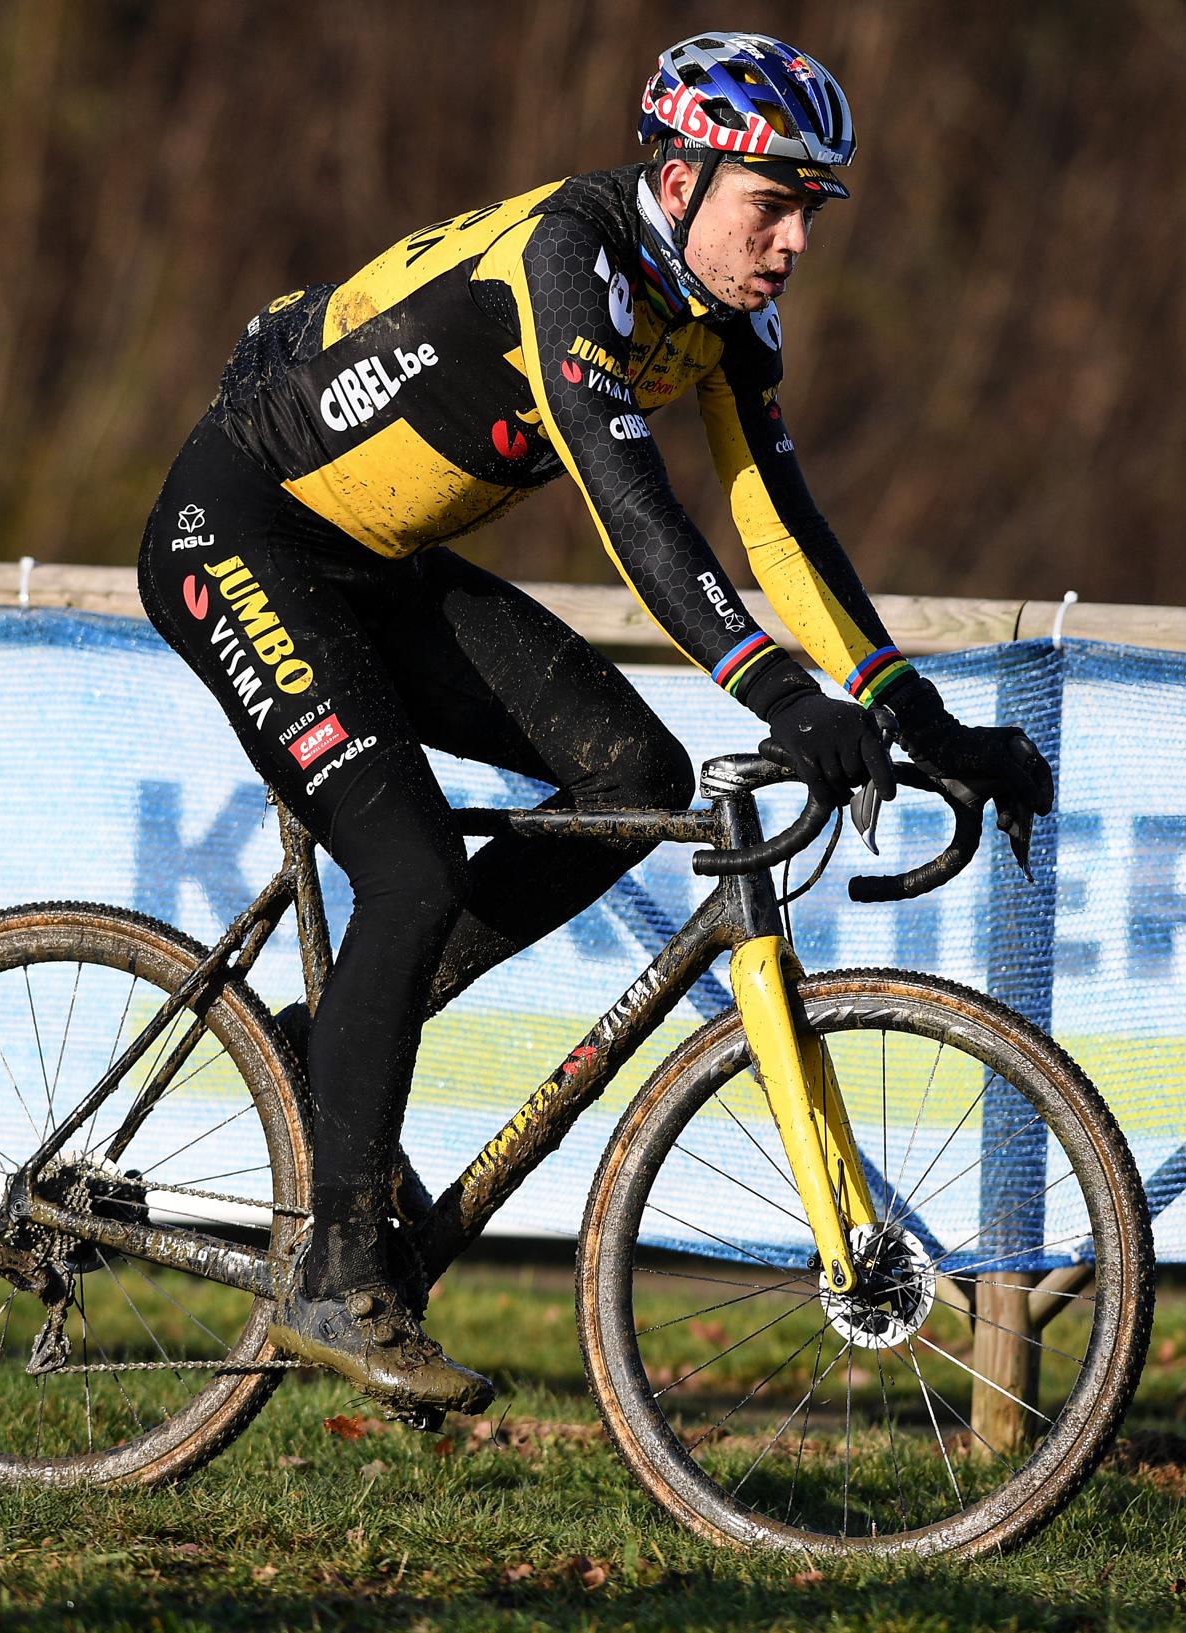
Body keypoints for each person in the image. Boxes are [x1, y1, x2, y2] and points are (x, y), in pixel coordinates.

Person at [136, 32, 1053, 1418]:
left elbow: (777, 524)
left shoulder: (724, 314)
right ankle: (333, 1272)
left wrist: (912, 712)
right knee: (409, 867)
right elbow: (636, 512)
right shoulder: (568, 262)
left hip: (372, 567)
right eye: (773, 203)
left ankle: (326, 1053)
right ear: (678, 177)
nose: (796, 239)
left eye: (812, 208)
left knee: (632, 775)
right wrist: (780, 692)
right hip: (242, 534)